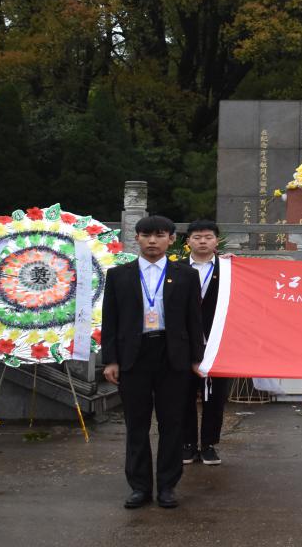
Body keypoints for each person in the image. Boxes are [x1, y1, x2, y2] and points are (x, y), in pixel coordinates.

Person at [101, 216, 205, 510]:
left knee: (172, 423)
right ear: (136, 238)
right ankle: (139, 487)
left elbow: (194, 320)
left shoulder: (185, 275)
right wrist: (110, 360)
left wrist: (196, 358)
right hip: (134, 355)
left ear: (171, 239)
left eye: (159, 235)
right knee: (137, 424)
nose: (152, 241)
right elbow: (110, 320)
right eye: (146, 235)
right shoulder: (119, 275)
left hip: (173, 356)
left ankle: (168, 486)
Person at [181, 219, 234, 466]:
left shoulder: (229, 269)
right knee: (183, 395)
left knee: (216, 397)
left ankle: (209, 445)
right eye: (197, 237)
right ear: (187, 241)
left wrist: (236, 264)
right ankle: (188, 444)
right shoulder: (176, 269)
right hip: (183, 343)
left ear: (217, 240)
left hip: (219, 341)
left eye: (208, 237)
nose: (203, 241)